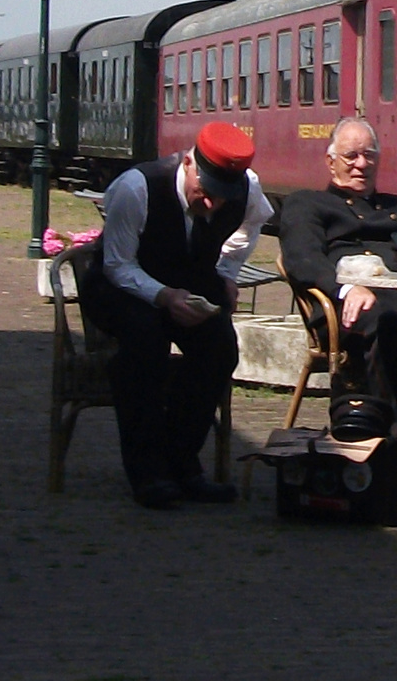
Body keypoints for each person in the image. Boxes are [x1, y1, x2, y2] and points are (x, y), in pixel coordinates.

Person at [80, 121, 274, 509]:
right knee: (144, 339)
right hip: (119, 287)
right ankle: (147, 472)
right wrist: (165, 296)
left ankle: (183, 464)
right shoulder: (136, 188)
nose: (211, 205)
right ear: (188, 163)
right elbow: (118, 265)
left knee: (220, 348)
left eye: (222, 198)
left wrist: (226, 275)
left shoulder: (247, 188)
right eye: (205, 193)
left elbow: (249, 228)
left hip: (187, 279)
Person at [279, 117, 397, 435]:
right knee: (386, 316)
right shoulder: (307, 204)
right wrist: (346, 289)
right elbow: (303, 260)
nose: (361, 164)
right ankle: (393, 435)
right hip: (345, 306)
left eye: (369, 155)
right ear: (330, 161)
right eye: (351, 156)